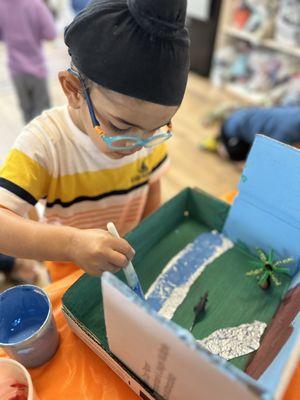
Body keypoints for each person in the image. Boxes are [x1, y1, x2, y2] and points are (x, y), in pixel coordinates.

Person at [0, 0, 190, 282]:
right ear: (74, 90)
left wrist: (149, 242)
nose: (136, 144)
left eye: (154, 129)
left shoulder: (145, 137)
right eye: (120, 126)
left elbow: (151, 189)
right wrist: (71, 244)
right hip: (70, 274)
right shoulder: (45, 144)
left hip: (124, 266)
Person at [0, 0, 57, 123]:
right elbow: (51, 33)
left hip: (15, 68)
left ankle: (30, 141)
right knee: (44, 114)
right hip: (37, 68)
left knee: (27, 113)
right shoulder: (35, 4)